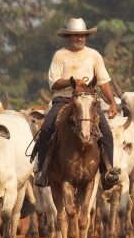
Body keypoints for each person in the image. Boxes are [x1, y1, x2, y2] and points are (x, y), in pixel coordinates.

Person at [32, 18, 120, 189]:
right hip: (64, 100)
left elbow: (103, 82)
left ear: (86, 37)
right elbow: (54, 83)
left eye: (82, 36)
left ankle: (108, 171)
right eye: (75, 36)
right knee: (47, 129)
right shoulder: (60, 55)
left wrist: (112, 103)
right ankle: (43, 171)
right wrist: (73, 82)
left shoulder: (94, 55)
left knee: (107, 133)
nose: (79, 39)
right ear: (68, 37)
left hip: (88, 101)